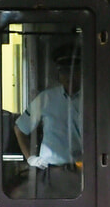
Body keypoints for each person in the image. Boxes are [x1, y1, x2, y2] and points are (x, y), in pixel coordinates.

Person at [15, 43, 83, 173]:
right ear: (58, 75)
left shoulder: (91, 99)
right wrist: (31, 159)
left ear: (81, 72)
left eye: (74, 71)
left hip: (83, 173)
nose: (69, 77)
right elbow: (20, 129)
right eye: (64, 72)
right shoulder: (46, 98)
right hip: (51, 171)